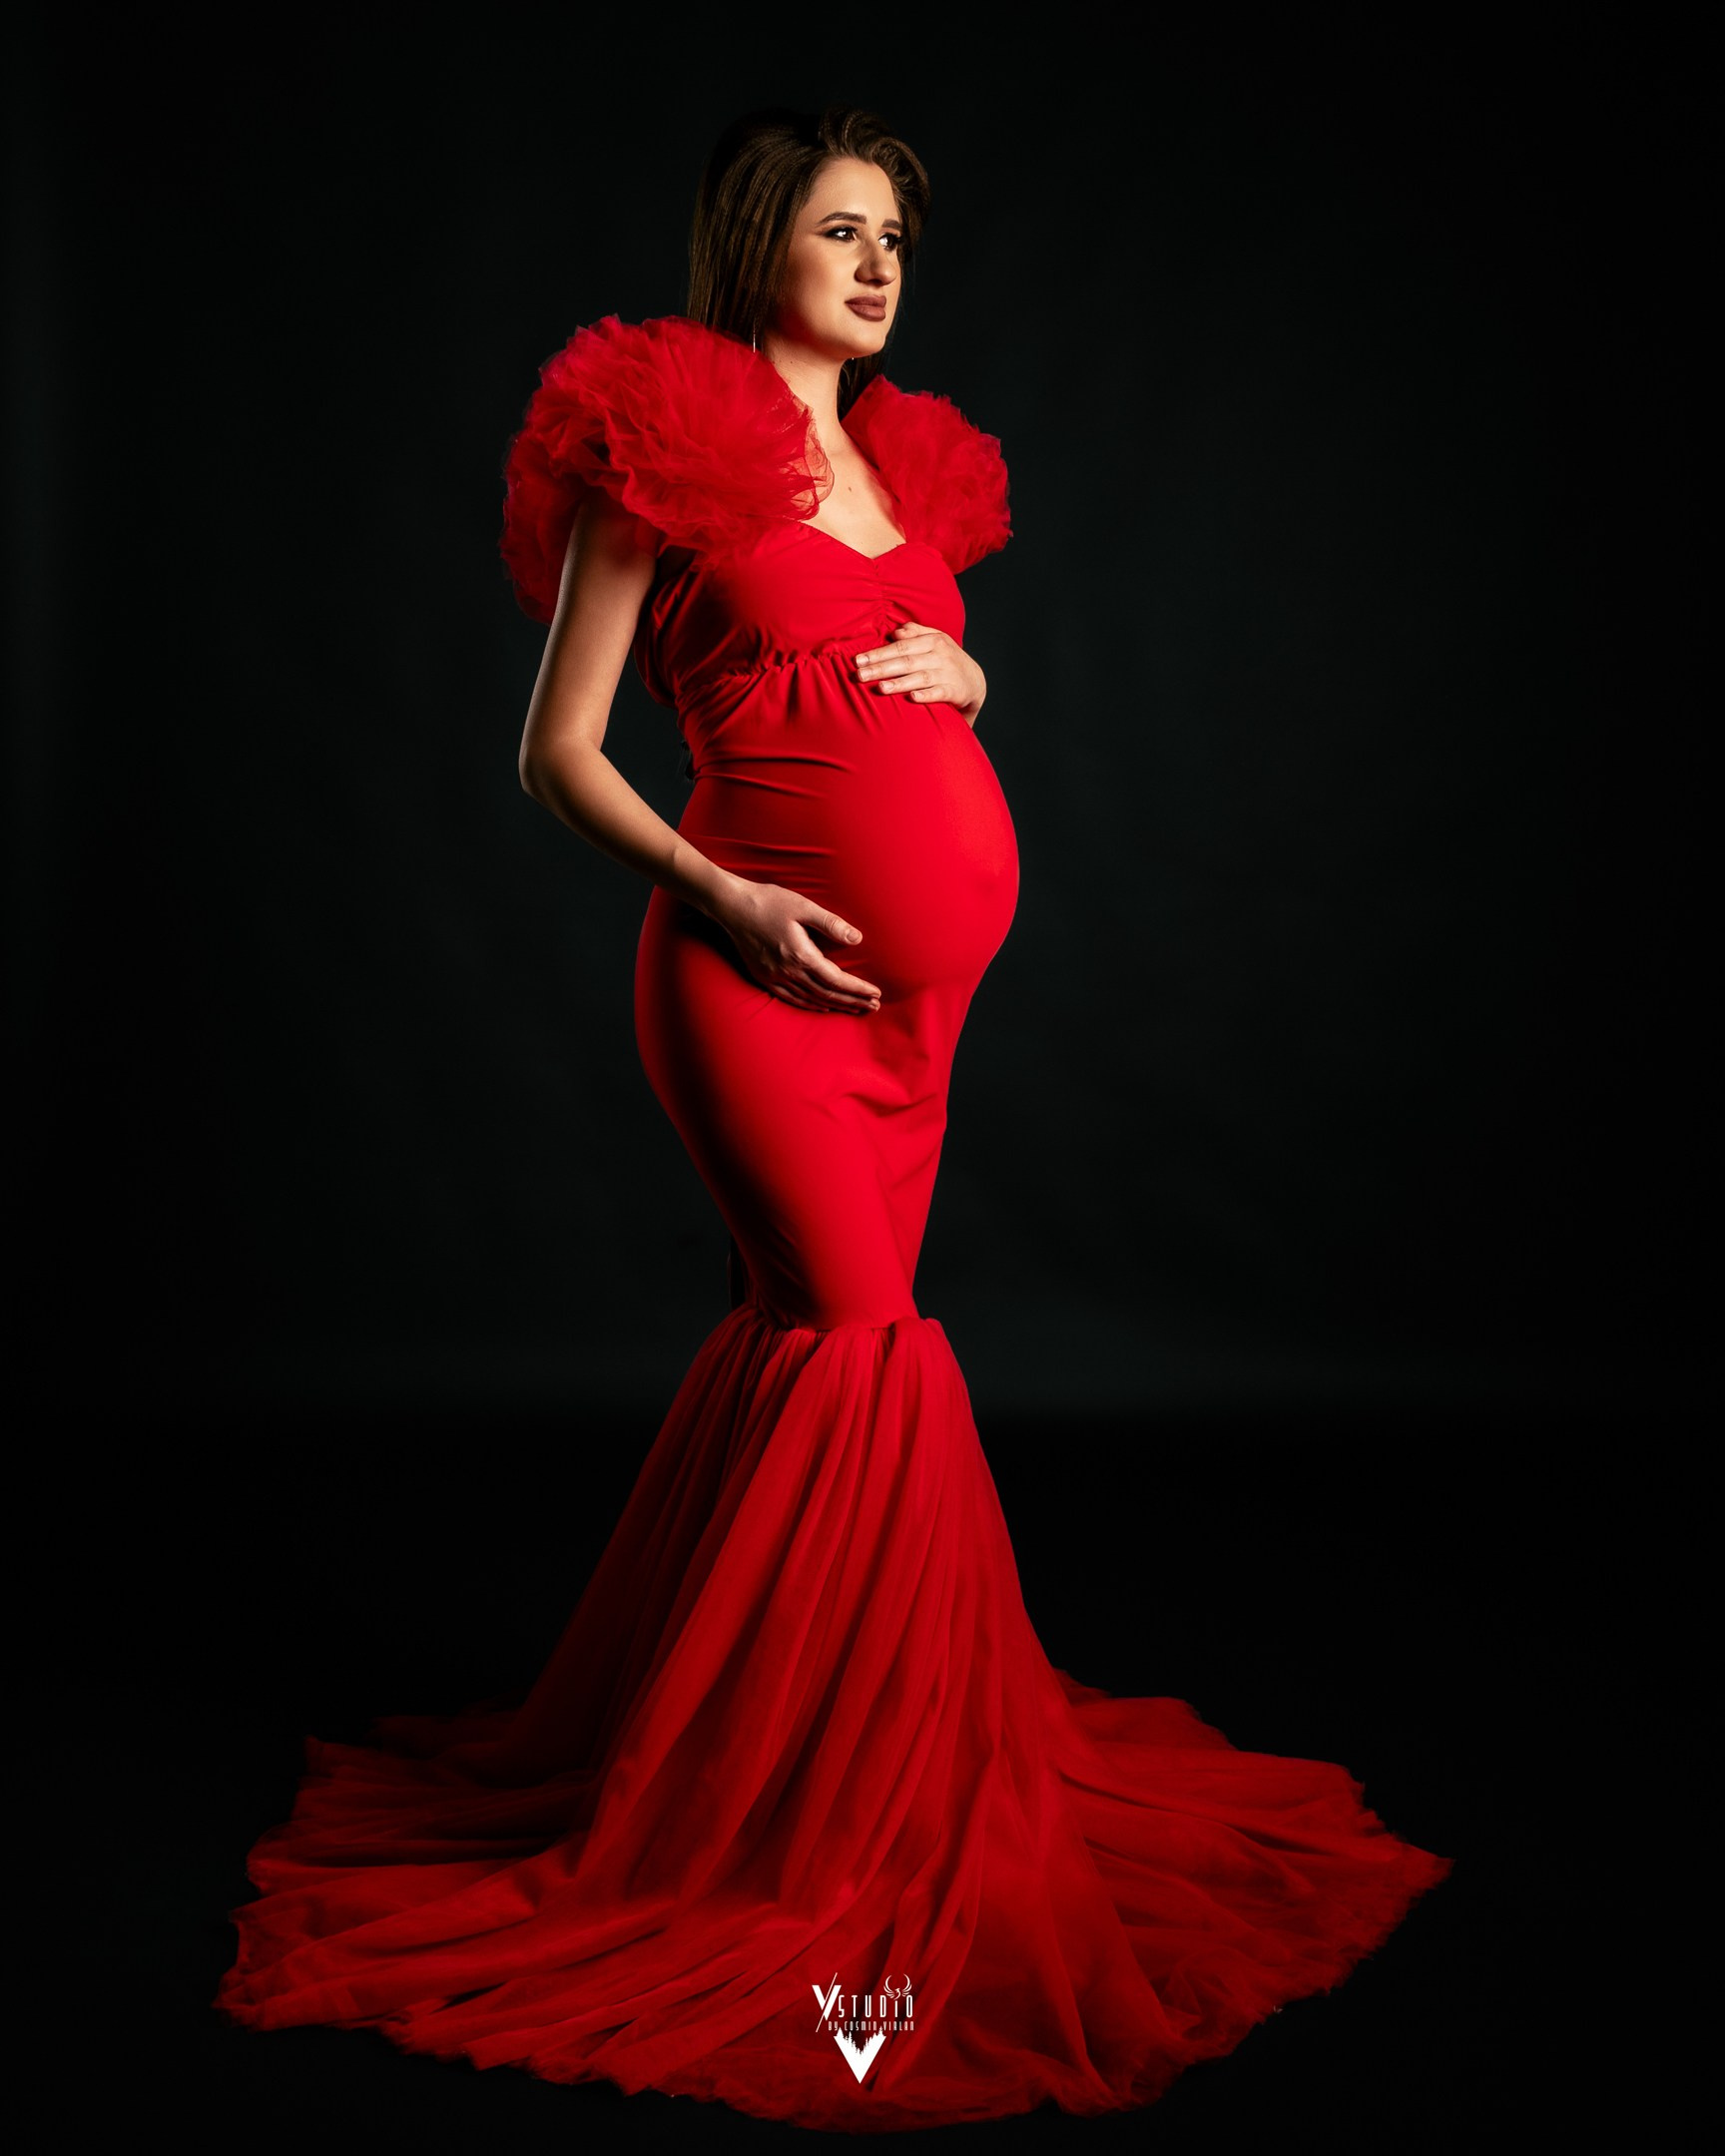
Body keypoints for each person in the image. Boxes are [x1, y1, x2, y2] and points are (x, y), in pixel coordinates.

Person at [213, 104, 1452, 2131]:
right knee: (865, 1346)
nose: (878, 266)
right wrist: (725, 895)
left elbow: (891, 671)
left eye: (894, 238)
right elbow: (556, 753)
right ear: (753, 245)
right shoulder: (662, 445)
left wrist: (972, 689)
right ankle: (840, 1828)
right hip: (756, 984)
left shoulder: (907, 466)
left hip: (921, 1013)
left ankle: (772, 1751)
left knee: (811, 1353)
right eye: (839, 231)